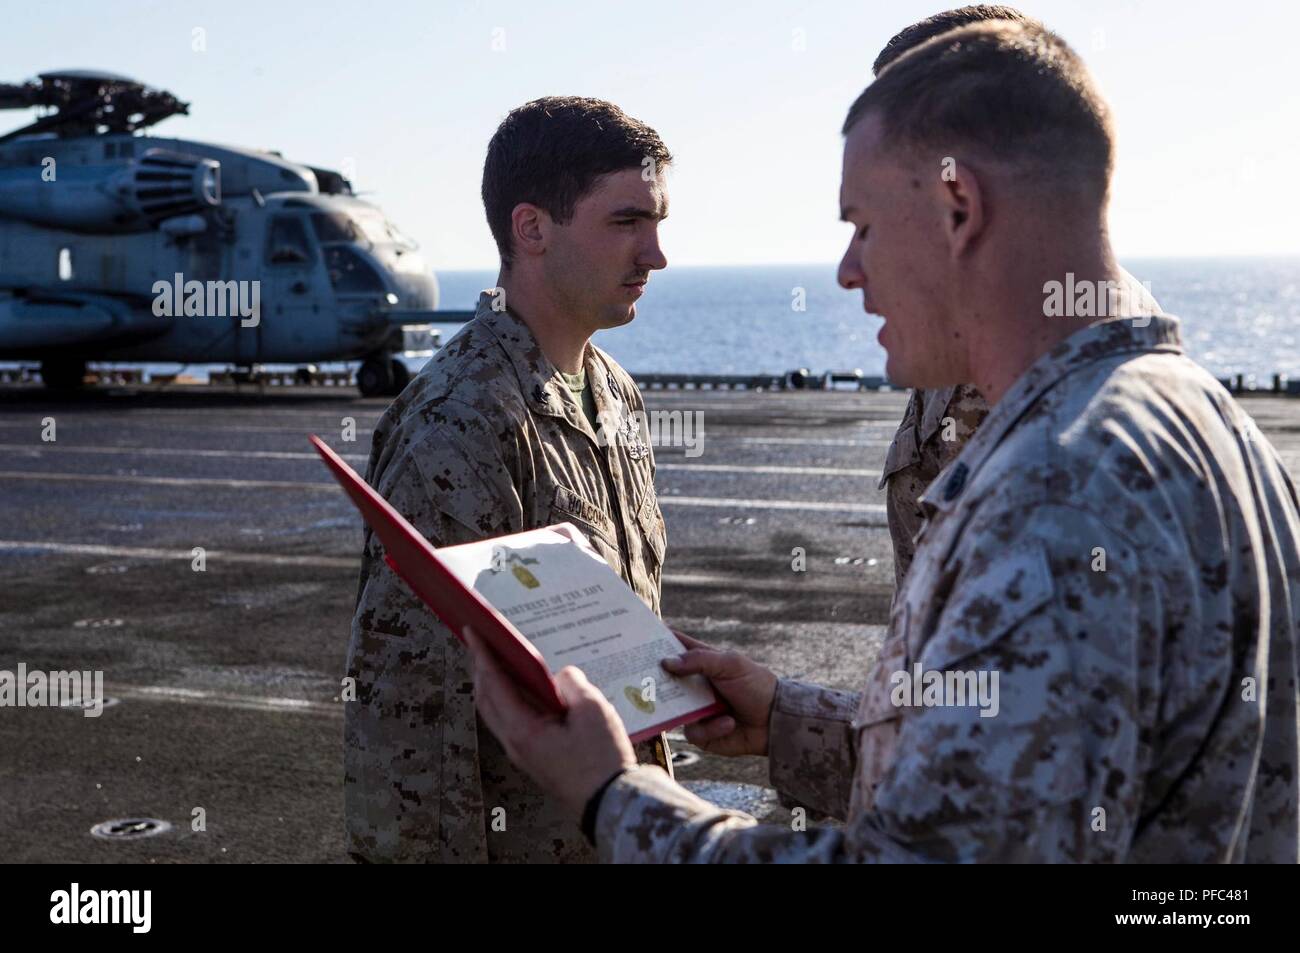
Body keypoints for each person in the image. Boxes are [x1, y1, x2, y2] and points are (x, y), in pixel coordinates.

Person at [463, 21, 1300, 862]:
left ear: (957, 207)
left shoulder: (1048, 496)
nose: (847, 270)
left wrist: (613, 796)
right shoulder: (1209, 423)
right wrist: (787, 723)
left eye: (861, 224)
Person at [345, 96, 673, 862]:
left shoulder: (617, 394)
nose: (656, 254)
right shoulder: (459, 419)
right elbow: (411, 716)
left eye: (658, 223)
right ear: (532, 229)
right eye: (627, 222)